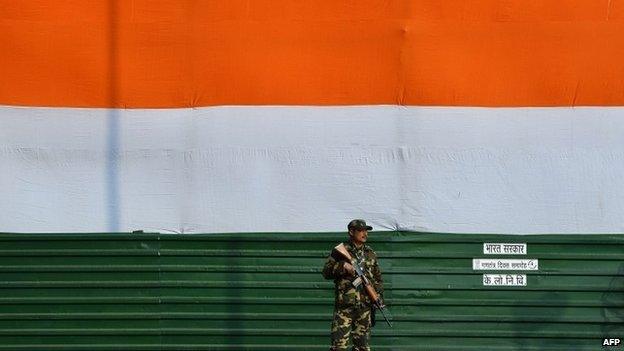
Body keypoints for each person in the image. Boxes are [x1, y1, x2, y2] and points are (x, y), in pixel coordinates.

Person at [322, 219, 384, 351]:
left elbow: (378, 279)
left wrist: (377, 297)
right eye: (361, 231)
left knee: (362, 348)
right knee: (338, 347)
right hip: (344, 308)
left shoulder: (370, 253)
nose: (365, 234)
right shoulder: (340, 251)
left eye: (366, 231)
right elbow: (326, 272)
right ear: (351, 232)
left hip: (364, 308)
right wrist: (342, 266)